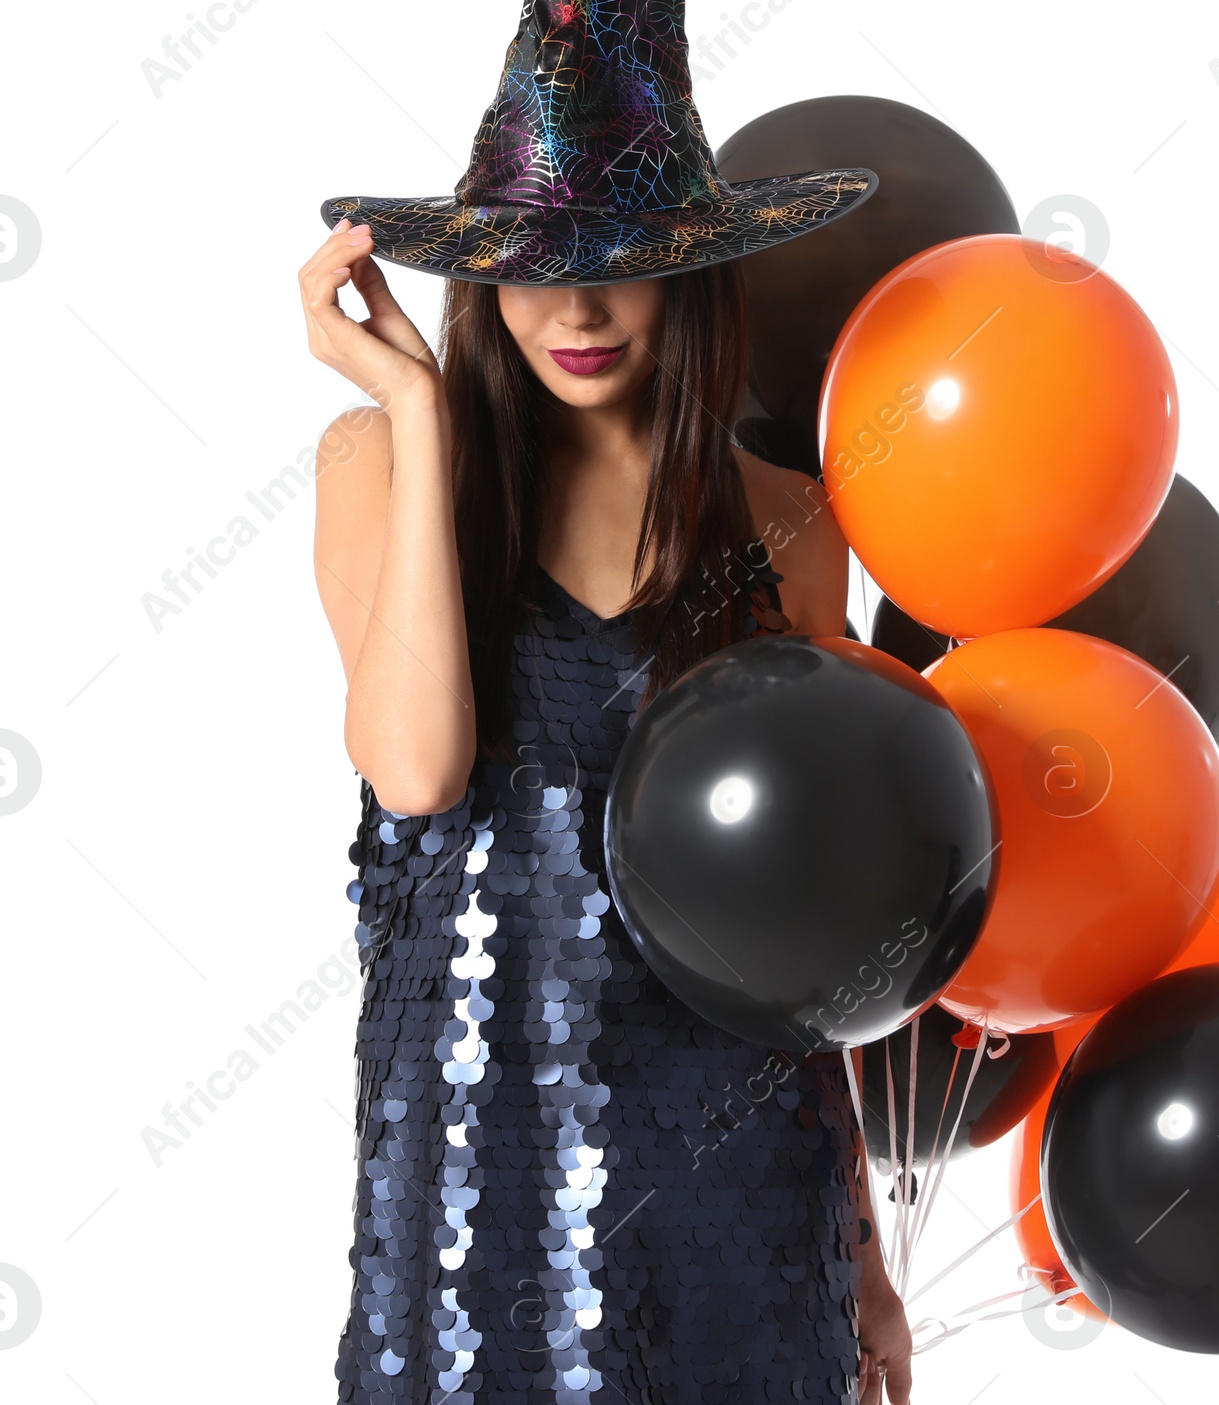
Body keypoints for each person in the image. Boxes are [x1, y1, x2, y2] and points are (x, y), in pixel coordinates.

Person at [302, 230, 912, 1401]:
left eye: (618, 260)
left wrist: (862, 1254)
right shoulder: (374, 460)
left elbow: (804, 943)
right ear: (480, 277)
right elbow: (417, 773)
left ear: (691, 269)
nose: (576, 309)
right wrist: (422, 412)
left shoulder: (790, 521)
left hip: (742, 1182)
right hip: (480, 1175)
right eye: (535, 264)